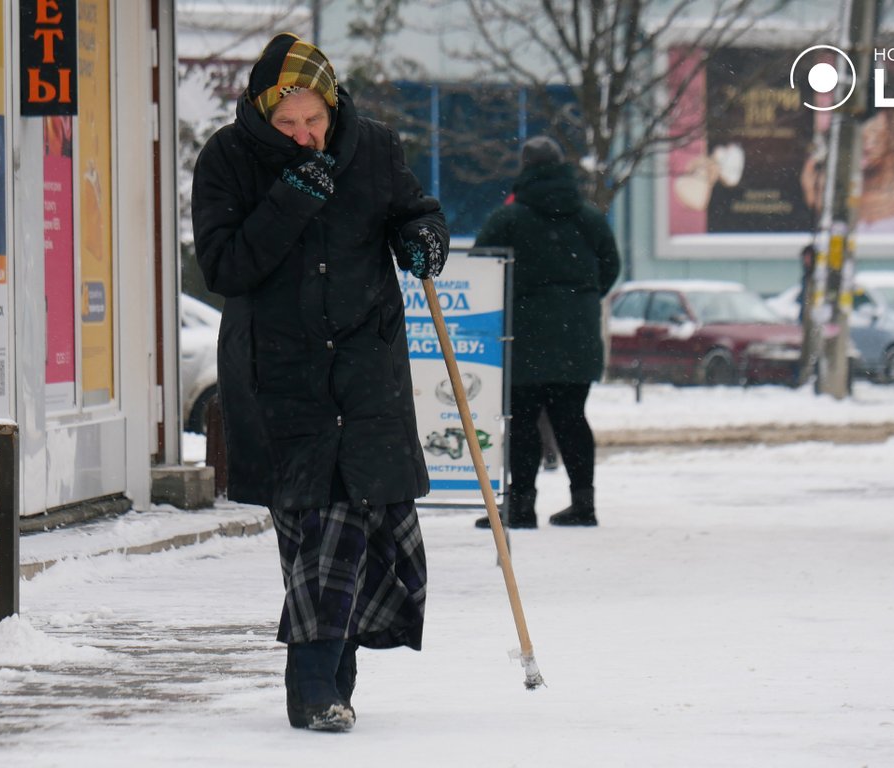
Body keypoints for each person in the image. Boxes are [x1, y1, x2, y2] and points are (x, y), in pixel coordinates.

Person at [191, 33, 447, 732]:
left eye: (316, 121)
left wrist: (424, 238)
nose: (307, 136)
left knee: (354, 523)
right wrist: (289, 201)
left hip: (366, 369)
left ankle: (323, 687)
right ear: (261, 112)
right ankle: (321, 687)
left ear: (333, 106)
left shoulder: (375, 148)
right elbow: (226, 268)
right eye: (289, 125)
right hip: (279, 375)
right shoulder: (226, 161)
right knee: (318, 526)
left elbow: (415, 209)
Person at [473, 136, 620, 529]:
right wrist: (581, 301)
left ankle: (521, 506)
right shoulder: (589, 217)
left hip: (525, 337)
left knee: (522, 421)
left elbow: (482, 266)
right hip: (579, 336)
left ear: (525, 167)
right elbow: (611, 265)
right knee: (572, 418)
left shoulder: (509, 219)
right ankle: (583, 504)